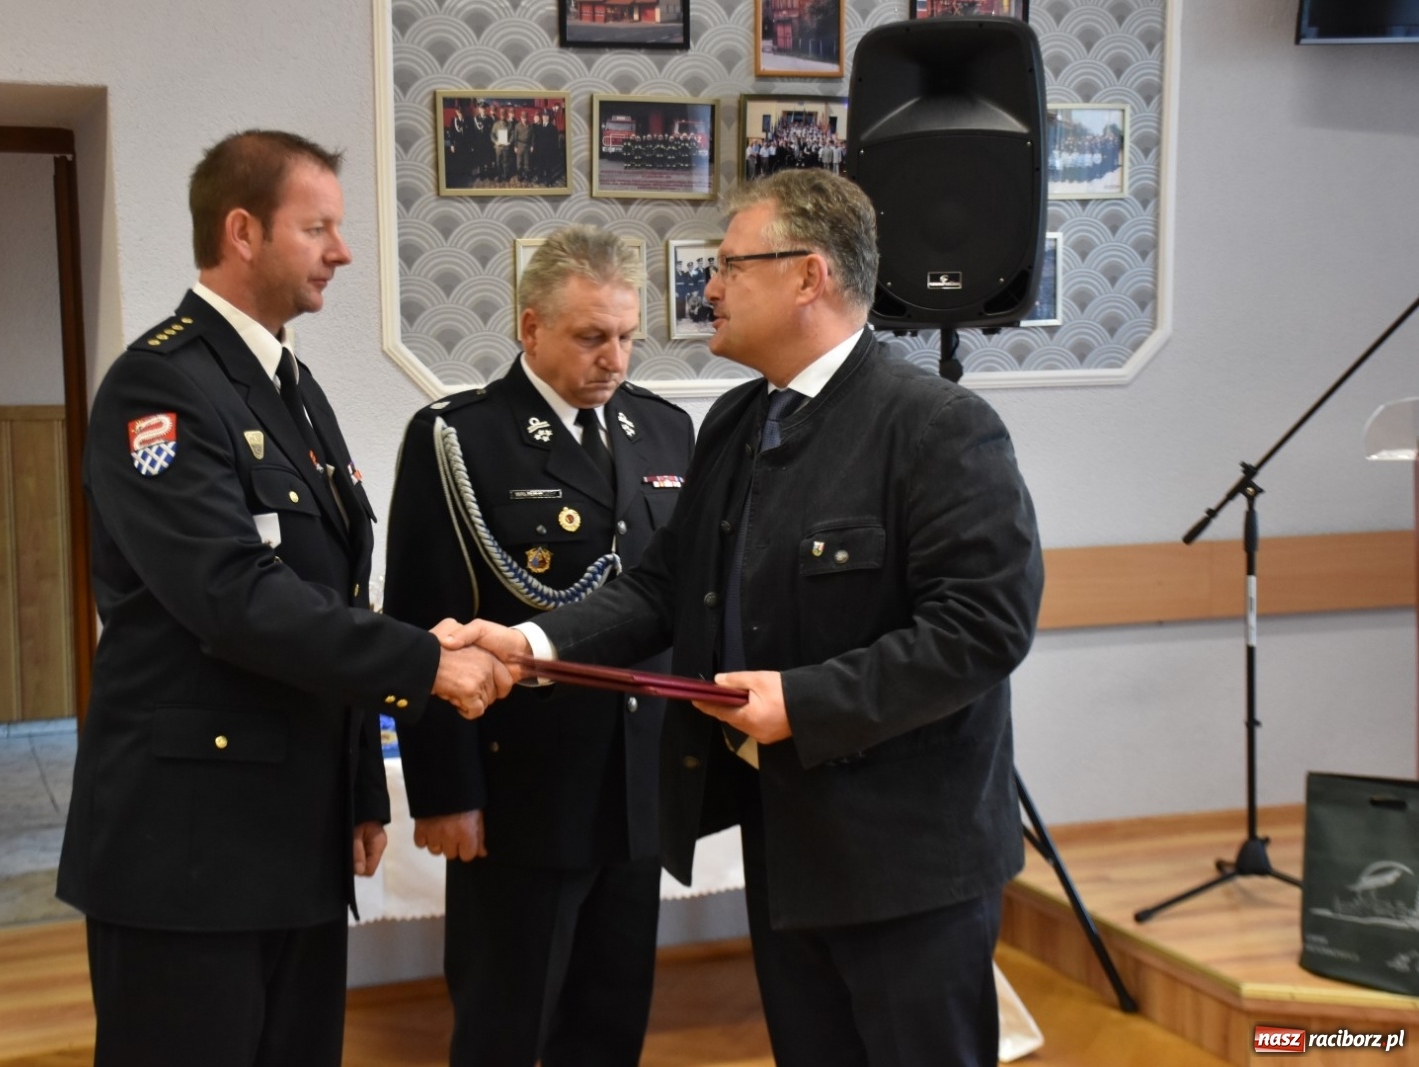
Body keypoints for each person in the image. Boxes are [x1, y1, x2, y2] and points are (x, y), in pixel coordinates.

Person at [443, 168, 1044, 1066]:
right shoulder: (736, 421)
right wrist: (530, 643)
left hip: (907, 862)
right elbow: (660, 587)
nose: (708, 286)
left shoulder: (936, 426)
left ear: (809, 276)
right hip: (787, 844)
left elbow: (983, 627)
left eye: (729, 265)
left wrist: (804, 700)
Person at [56, 129, 511, 1067]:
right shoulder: (162, 385)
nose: (343, 252)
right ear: (243, 231)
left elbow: (330, 586)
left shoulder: (290, 387)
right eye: (320, 229)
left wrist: (354, 788)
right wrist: (426, 663)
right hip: (189, 848)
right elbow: (231, 595)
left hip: (292, 833)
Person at [384, 226, 694, 1067]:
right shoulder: (461, 438)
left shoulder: (665, 433)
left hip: (636, 791)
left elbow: (678, 609)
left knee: (610, 1019)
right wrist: (447, 791)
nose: (616, 358)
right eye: (592, 337)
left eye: (628, 335)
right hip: (522, 793)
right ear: (530, 328)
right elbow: (425, 623)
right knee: (504, 1024)